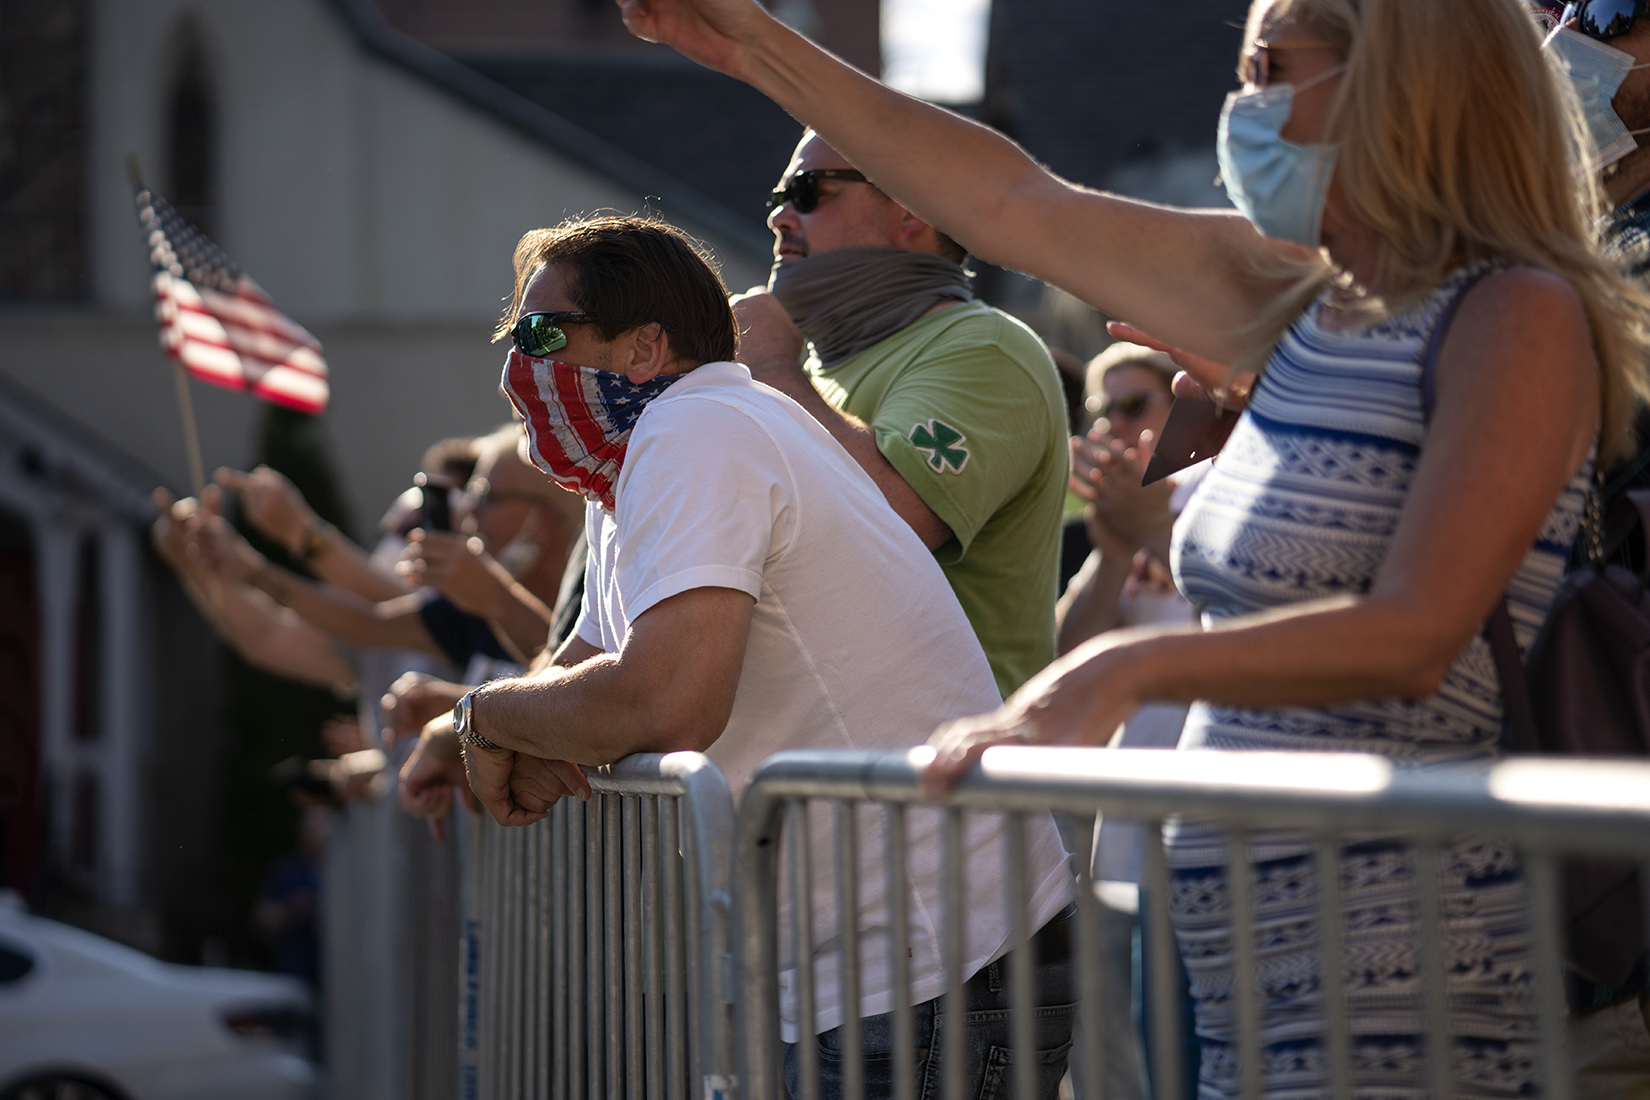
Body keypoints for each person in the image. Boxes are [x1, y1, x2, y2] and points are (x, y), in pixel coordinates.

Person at [617, 0, 1650, 1095]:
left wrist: (1119, 667)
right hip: (1248, 951)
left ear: (1400, 83)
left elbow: (1419, 631)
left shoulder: (1513, 311)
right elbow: (1014, 201)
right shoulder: (1308, 298)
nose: (1241, 101)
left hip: (1403, 949)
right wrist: (754, 48)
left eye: (1271, 67)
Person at [399, 214, 1077, 1099]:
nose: (516, 365)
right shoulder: (654, 454)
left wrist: (482, 720)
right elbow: (580, 672)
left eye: (541, 333)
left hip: (934, 968)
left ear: (646, 347)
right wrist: (484, 740)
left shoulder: (700, 430)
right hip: (881, 971)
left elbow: (665, 700)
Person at [733, 130, 1070, 697]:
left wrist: (767, 362)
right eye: (779, 198)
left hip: (948, 763)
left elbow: (889, 523)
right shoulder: (812, 372)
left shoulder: (985, 349)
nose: (781, 218)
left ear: (913, 209)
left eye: (809, 191)